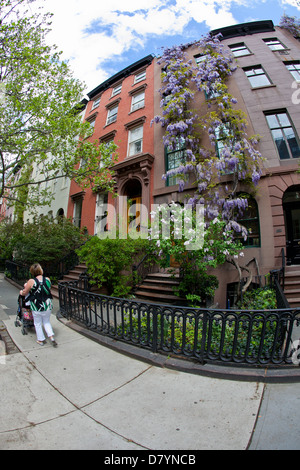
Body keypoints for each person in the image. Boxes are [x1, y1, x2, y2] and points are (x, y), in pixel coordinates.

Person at [20, 263, 57, 347]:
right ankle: (51, 337)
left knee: (37, 323)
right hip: (47, 304)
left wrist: (21, 292)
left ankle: (41, 340)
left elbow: (25, 292)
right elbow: (47, 289)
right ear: (41, 270)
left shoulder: (31, 281)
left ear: (32, 272)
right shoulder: (47, 279)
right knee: (46, 321)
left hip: (36, 306)